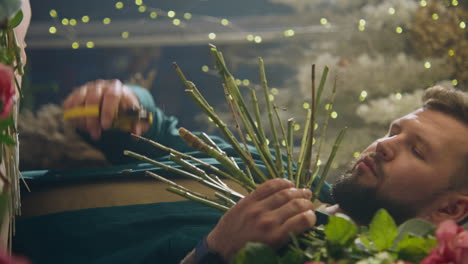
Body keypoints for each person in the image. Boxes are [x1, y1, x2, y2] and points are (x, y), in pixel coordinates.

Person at [61, 80, 468, 263]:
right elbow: (161, 134)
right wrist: (125, 102)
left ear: (449, 210)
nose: (384, 144)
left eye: (416, 150)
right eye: (393, 131)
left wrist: (214, 254)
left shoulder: (330, 258)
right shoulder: (284, 173)